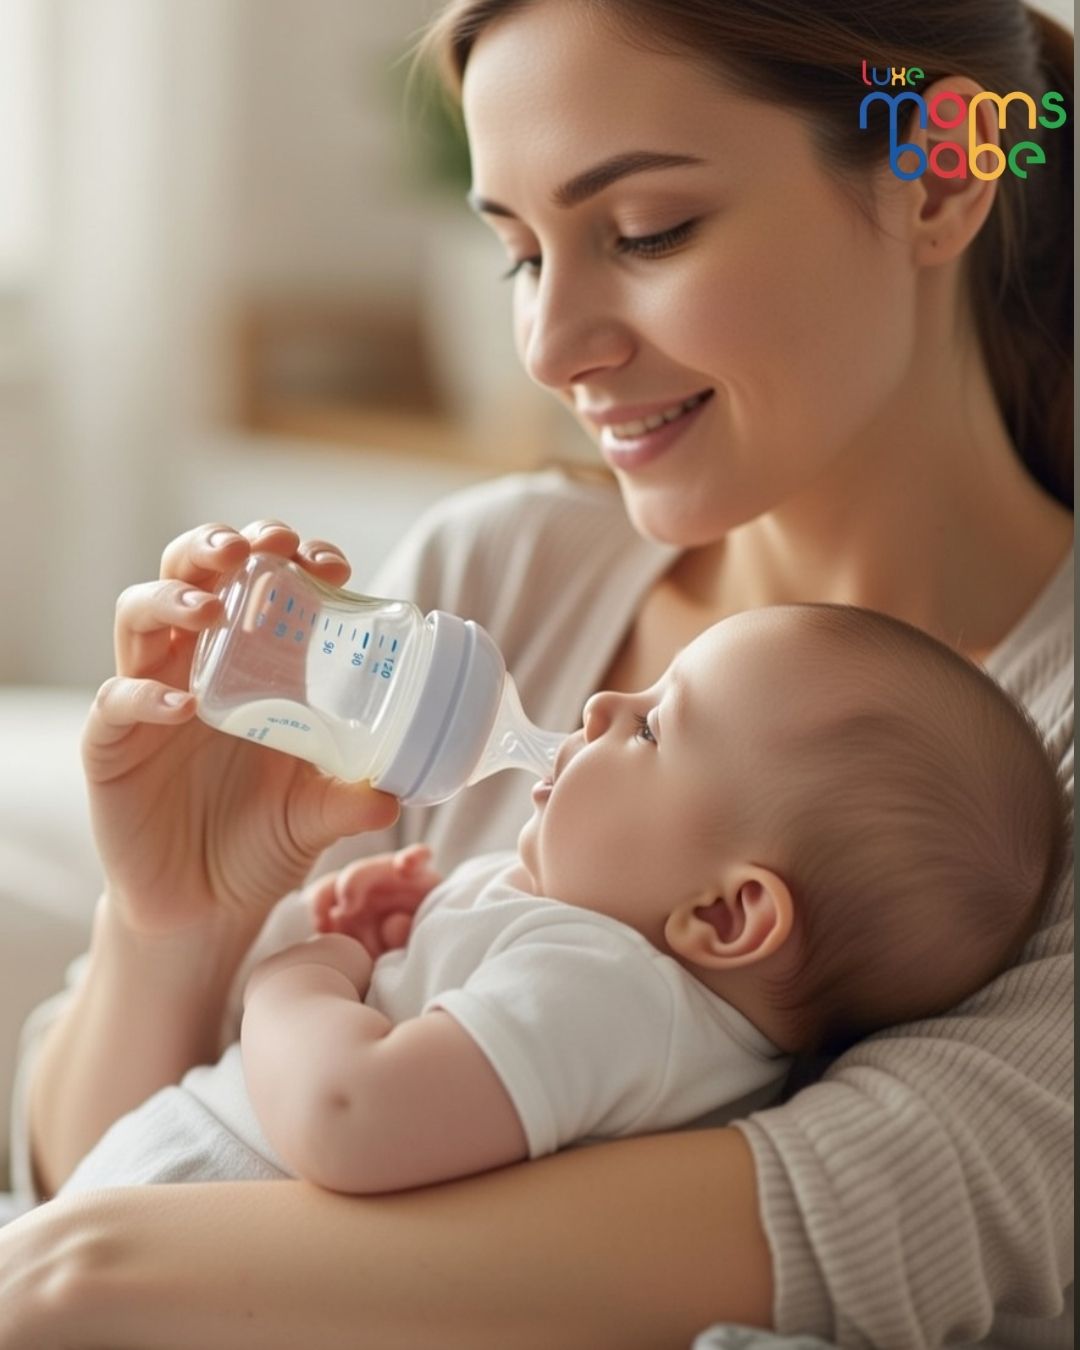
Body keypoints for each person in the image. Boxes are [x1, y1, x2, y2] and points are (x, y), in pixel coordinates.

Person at [1, 0, 1071, 1346]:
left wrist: (95, 1265)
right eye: (517, 254)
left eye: (646, 232)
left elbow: (901, 1210)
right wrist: (174, 926)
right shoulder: (502, 573)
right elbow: (90, 1180)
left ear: (944, 170)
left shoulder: (1044, 750)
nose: (554, 347)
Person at [52, 603, 1067, 1200]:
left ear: (726, 917)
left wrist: (305, 976)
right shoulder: (598, 955)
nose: (601, 706)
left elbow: (343, 1112)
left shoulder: (614, 990)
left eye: (657, 730)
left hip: (189, 1231)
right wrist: (369, 946)